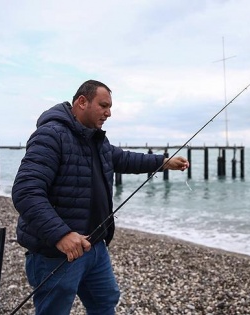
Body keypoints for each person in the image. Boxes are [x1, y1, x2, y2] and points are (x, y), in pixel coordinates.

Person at [12, 79, 189, 314]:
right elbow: (26, 191)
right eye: (104, 106)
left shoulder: (95, 138)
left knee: (105, 302)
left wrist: (163, 162)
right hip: (57, 253)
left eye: (110, 107)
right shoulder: (51, 135)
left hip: (94, 247)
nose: (109, 113)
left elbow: (122, 159)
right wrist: (61, 234)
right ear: (82, 102)